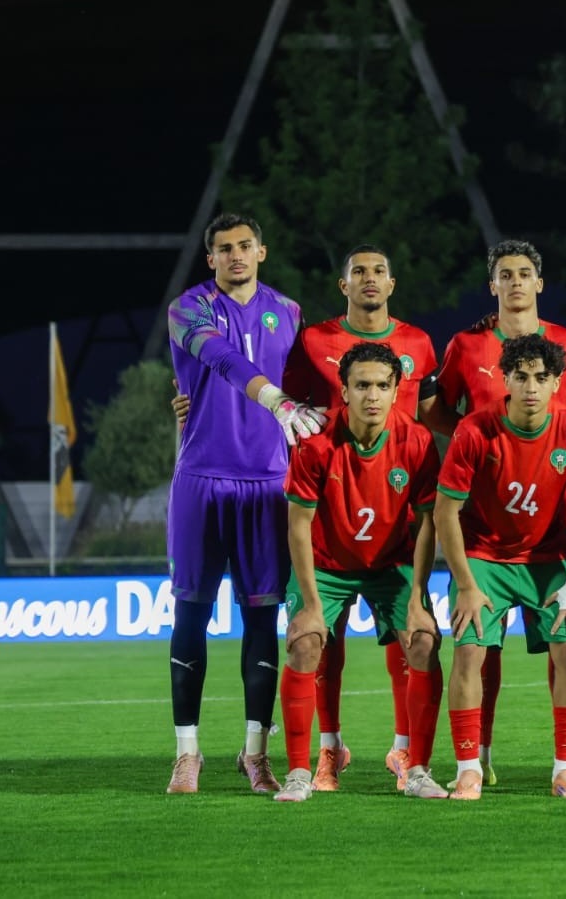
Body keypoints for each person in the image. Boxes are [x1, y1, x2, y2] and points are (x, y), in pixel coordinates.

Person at [430, 239, 566, 788]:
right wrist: (478, 449)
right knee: (472, 653)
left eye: (525, 273)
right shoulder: (468, 351)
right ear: (492, 285)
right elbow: (439, 409)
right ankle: (469, 767)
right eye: (504, 274)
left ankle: (565, 771)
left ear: (540, 281)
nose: (515, 282)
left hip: (549, 547)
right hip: (484, 544)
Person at [164, 212, 325, 795]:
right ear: (210, 258)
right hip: (201, 478)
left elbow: (315, 384)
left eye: (245, 246)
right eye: (224, 248)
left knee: (261, 618)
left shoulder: (289, 312)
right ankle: (188, 753)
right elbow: (222, 360)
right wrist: (278, 401)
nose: (235, 255)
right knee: (191, 614)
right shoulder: (189, 308)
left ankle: (256, 751)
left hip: (267, 484)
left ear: (262, 251)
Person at [280, 245, 440, 793]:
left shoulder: (418, 437)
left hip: (392, 553)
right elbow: (297, 521)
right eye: (361, 386)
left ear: (399, 390)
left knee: (420, 636)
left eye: (382, 386)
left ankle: (412, 763)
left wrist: (418, 594)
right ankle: (310, 764)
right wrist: (306, 601)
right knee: (311, 641)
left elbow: (428, 523)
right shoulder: (315, 440)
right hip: (329, 554)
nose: (373, 394)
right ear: (342, 389)